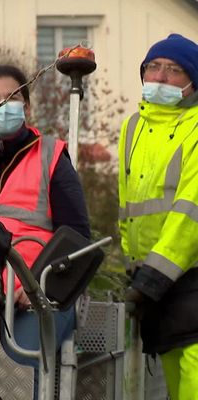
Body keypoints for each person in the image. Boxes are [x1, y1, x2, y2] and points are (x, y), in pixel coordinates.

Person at [0, 64, 90, 398]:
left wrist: (37, 284)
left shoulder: (52, 156)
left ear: (27, 108)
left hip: (38, 294)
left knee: (23, 361)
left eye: (12, 98)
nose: (3, 105)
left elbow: (77, 236)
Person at [119, 33, 198, 400]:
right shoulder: (132, 128)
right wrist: (132, 267)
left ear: (192, 83)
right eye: (153, 67)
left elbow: (190, 213)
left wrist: (150, 279)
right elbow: (127, 209)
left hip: (189, 278)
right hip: (153, 285)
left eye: (174, 70)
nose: (161, 77)